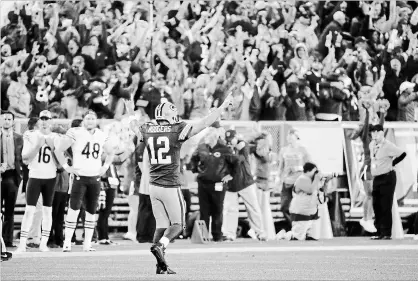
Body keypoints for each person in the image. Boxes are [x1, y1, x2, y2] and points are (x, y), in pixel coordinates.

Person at [133, 93, 233, 274]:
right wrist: (222, 107)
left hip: (153, 186)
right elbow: (205, 123)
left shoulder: (147, 129)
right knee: (178, 225)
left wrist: (131, 114)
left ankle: (160, 266)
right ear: (171, 115)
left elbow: (136, 129)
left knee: (162, 225)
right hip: (170, 185)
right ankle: (161, 246)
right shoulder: (176, 129)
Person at [55, 110, 115, 252]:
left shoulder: (101, 134)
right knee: (73, 209)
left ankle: (87, 244)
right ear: (83, 120)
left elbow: (111, 151)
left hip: (95, 178)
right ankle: (67, 242)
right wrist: (67, 167)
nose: (90, 121)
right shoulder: (75, 132)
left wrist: (105, 167)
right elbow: (58, 150)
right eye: (87, 118)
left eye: (92, 118)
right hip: (79, 177)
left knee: (91, 212)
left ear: (96, 120)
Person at [16, 110, 58, 253]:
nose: (45, 121)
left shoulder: (56, 137)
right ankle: (22, 244)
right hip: (35, 176)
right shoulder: (31, 135)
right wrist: (38, 146)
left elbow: (60, 164)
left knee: (47, 211)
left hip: (51, 178)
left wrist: (53, 148)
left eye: (47, 118)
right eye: (42, 118)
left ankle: (43, 243)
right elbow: (25, 158)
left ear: (51, 121)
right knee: (29, 210)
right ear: (39, 121)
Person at [190, 126, 237, 242]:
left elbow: (236, 163)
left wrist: (230, 175)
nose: (206, 137)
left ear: (215, 136)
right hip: (203, 183)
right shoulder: (201, 148)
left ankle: (217, 235)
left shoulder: (224, 149)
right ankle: (204, 236)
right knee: (204, 211)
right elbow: (193, 159)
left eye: (208, 135)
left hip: (218, 184)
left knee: (217, 210)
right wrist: (196, 171)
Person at [222, 129, 266, 242]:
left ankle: (260, 233)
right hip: (231, 185)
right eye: (228, 140)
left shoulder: (243, 145)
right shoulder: (226, 148)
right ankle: (229, 234)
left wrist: (236, 147)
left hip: (245, 182)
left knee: (253, 208)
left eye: (232, 139)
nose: (230, 142)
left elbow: (240, 158)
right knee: (230, 210)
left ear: (236, 137)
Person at [369, 124, 407, 240]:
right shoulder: (372, 145)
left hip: (387, 176)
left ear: (382, 133)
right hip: (377, 177)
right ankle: (378, 231)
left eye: (377, 132)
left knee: (386, 204)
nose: (375, 135)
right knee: (376, 205)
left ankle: (386, 232)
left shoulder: (388, 145)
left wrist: (392, 163)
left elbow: (402, 153)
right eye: (373, 132)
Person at [276, 162, 324, 241]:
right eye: (314, 171)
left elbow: (318, 190)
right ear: (308, 171)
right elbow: (310, 190)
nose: (316, 174)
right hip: (301, 214)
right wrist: (317, 178)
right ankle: (283, 235)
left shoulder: (311, 180)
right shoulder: (301, 179)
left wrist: (322, 181)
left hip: (311, 214)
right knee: (297, 237)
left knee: (312, 237)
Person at [277, 129, 311, 228]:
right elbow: (280, 167)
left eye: (292, 135)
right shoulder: (283, 150)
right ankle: (294, 225)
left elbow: (310, 167)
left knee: (299, 207)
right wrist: (278, 180)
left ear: (296, 137)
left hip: (299, 182)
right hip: (287, 181)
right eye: (289, 135)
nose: (290, 137)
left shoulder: (303, 150)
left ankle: (301, 228)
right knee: (284, 207)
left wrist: (298, 168)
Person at [1, 111, 23, 248]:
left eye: (9, 119)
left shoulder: (19, 138)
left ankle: (8, 240)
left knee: (10, 211)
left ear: (13, 122)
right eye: (4, 119)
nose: (7, 121)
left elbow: (21, 158)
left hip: (12, 176)